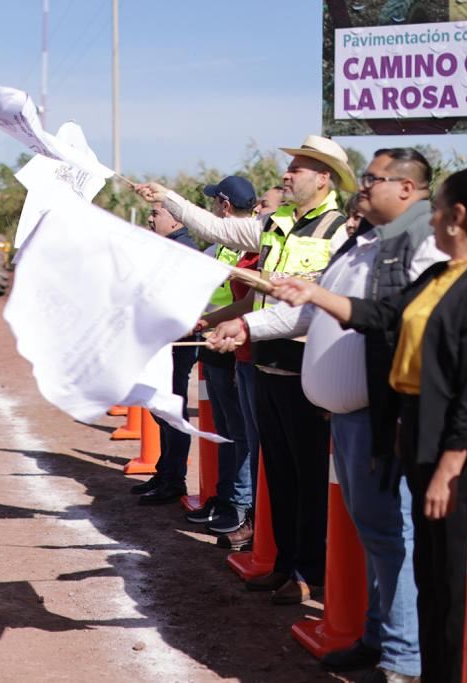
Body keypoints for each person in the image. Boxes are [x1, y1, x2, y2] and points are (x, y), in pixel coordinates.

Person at [270, 168, 467, 683]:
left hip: (466, 453)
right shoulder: (439, 277)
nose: (430, 217)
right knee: (431, 576)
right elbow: (384, 315)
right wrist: (313, 295)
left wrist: (448, 468)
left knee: (454, 581)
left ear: (458, 218)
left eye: (438, 208)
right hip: (423, 438)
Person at [209, 148, 445, 683]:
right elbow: (316, 308)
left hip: (392, 413)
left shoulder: (420, 244)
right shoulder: (366, 241)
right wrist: (248, 327)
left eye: (372, 178)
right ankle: (378, 636)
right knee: (376, 533)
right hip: (353, 415)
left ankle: (403, 661)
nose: (360, 186)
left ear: (408, 189)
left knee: (395, 534)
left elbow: (408, 325)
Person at [137, 135, 354, 605]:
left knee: (310, 475)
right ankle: (285, 563)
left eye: (298, 167)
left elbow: (314, 309)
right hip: (266, 364)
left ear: (324, 178)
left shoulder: (338, 231)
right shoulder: (275, 223)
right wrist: (168, 197)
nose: (287, 173)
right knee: (276, 470)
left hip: (306, 369)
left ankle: (309, 570)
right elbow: (219, 231)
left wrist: (245, 324)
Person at [183, 176, 255, 536]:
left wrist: (211, 322)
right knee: (225, 431)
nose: (212, 207)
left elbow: (245, 300)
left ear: (224, 206)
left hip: (234, 346)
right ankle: (226, 497)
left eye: (215, 202)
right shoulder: (222, 246)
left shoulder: (250, 246)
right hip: (213, 343)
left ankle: (240, 506)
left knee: (238, 433)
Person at [132, 205, 200, 504]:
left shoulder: (183, 249)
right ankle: (164, 473)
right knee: (163, 408)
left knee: (172, 409)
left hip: (176, 342)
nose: (150, 218)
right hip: (164, 340)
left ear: (175, 219)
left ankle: (174, 480)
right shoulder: (170, 246)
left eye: (156, 213)